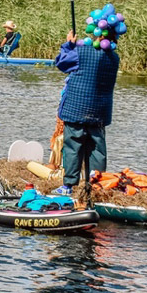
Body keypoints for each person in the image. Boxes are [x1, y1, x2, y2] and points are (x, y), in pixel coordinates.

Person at [53, 27, 120, 196]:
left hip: (76, 109)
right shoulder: (114, 57)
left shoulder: (81, 52)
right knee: (97, 149)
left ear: (96, 33)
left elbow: (61, 62)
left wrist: (69, 44)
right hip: (99, 112)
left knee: (73, 147)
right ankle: (97, 185)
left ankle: (69, 186)